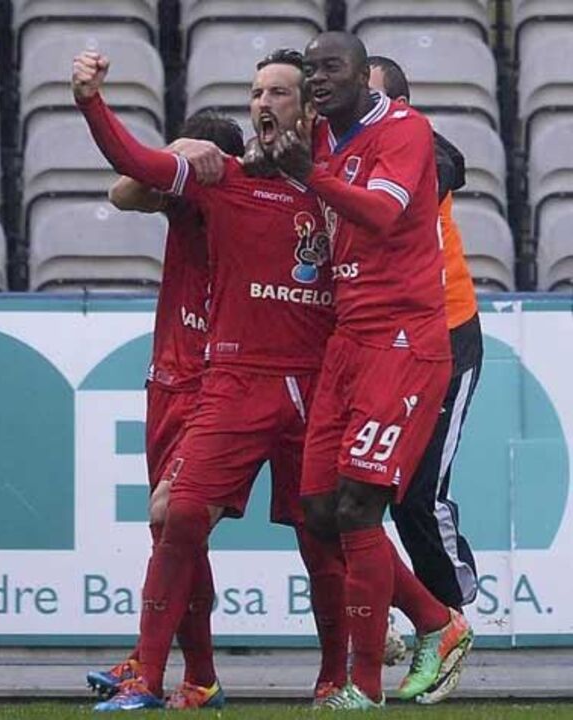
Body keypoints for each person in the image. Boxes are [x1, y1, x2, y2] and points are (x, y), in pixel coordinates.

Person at [73, 47, 336, 711]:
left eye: (277, 92)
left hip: (305, 380)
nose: (263, 103)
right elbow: (128, 182)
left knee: (325, 531)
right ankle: (177, 673)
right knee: (176, 518)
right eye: (255, 92)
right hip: (213, 379)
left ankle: (353, 665)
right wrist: (98, 106)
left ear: (309, 107)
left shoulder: (333, 185)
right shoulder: (214, 185)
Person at [268, 32, 474, 709]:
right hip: (347, 338)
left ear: (365, 78)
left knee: (366, 504)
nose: (317, 80)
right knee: (319, 510)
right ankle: (436, 623)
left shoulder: (403, 130)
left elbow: (384, 214)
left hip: (404, 336)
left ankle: (362, 686)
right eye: (311, 70)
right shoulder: (320, 135)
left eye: (331, 68)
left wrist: (310, 173)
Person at [85, 112, 245, 709]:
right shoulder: (180, 203)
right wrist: (179, 149)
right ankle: (194, 674)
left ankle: (156, 667)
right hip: (167, 382)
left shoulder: (250, 206)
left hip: (221, 385)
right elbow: (122, 192)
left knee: (174, 517)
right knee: (175, 529)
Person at [368, 57, 483, 633]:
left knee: (416, 494)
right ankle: (386, 621)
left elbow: (444, 164)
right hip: (374, 341)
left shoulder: (419, 151)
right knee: (342, 498)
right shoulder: (338, 151)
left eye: (364, 96)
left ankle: (449, 615)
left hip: (446, 336)